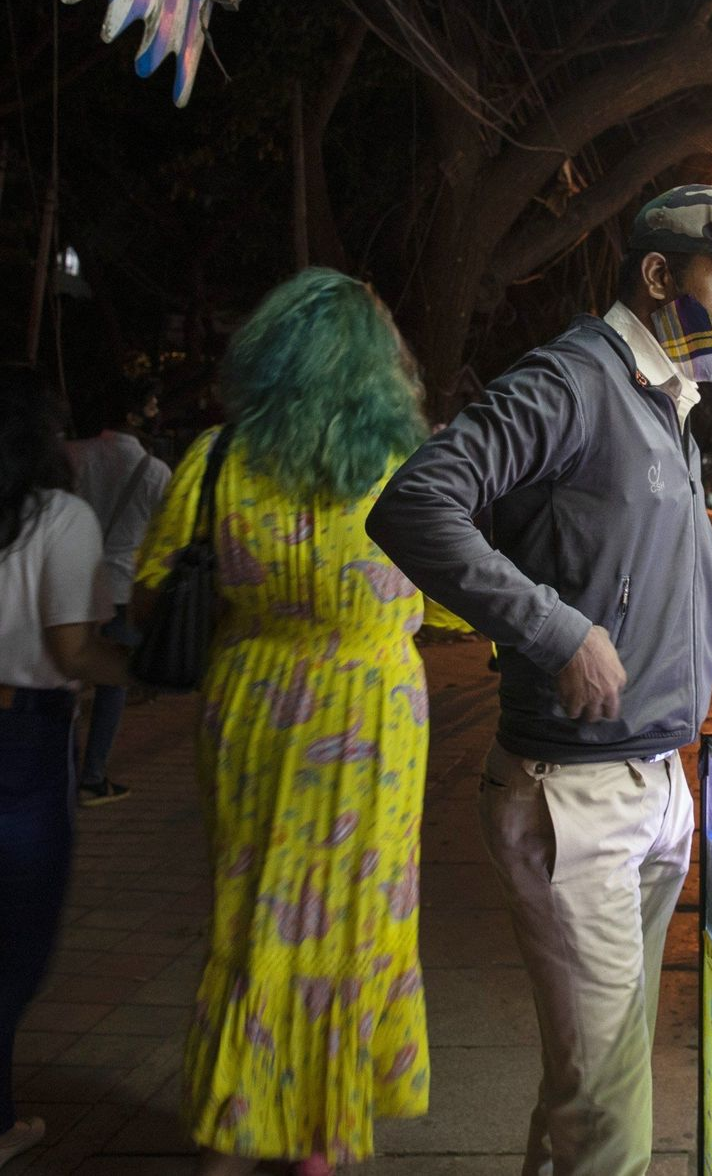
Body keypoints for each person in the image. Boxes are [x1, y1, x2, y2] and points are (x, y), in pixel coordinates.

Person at [367, 184, 712, 1176]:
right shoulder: (573, 381)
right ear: (658, 276)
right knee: (611, 1108)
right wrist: (554, 629)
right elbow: (415, 503)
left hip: (652, 781)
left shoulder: (668, 403)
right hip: (576, 795)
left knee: (594, 1086)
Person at [133, 270, 432, 1174]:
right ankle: (320, 1133)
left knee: (252, 907)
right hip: (375, 718)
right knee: (357, 914)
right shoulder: (405, 468)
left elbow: (155, 590)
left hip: (252, 706)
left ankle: (238, 1119)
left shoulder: (217, 458)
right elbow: (459, 601)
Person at [0, 367, 133, 1169]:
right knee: (18, 941)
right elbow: (73, 649)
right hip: (21, 739)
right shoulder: (59, 517)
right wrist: (151, 670)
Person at [66, 377, 174, 804]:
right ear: (134, 414)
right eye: (151, 404)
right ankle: (93, 775)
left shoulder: (73, 455)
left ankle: (62, 769)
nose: (156, 411)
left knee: (66, 675)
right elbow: (165, 534)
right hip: (121, 584)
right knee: (113, 682)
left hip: (72, 580)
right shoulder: (156, 472)